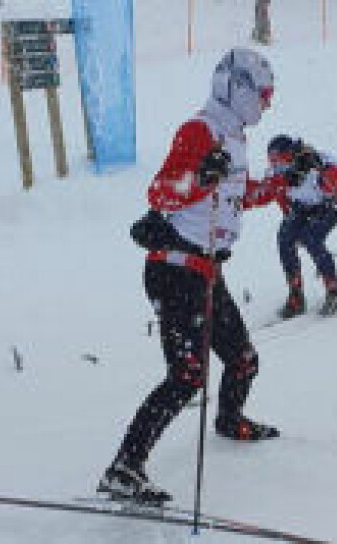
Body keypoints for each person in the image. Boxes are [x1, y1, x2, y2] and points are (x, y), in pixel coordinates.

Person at [98, 47, 280, 504]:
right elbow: (162, 190)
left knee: (243, 358)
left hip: (207, 271)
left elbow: (237, 194)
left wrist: (279, 184)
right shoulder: (201, 129)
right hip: (176, 270)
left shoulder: (235, 136)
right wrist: (201, 176)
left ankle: (228, 419)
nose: (267, 103)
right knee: (187, 375)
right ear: (236, 89)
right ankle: (125, 466)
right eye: (263, 94)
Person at [262, 135, 337, 318]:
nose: (278, 170)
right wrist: (293, 228)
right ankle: (296, 295)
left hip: (332, 202)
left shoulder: (319, 171)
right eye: (274, 164)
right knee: (285, 237)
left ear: (292, 158)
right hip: (302, 205)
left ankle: (334, 293)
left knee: (312, 238)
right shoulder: (278, 176)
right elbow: (281, 197)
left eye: (282, 164)